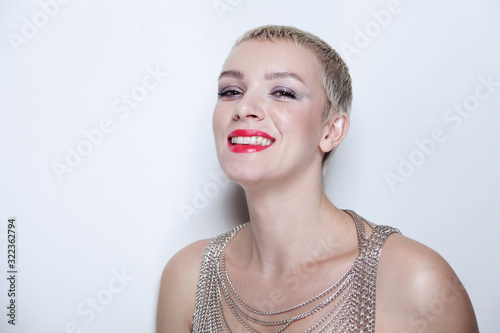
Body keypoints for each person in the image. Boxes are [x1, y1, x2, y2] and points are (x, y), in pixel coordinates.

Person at [156, 25, 478, 332]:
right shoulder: (189, 278)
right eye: (230, 90)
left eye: (282, 92)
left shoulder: (416, 283)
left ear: (331, 131)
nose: (244, 107)